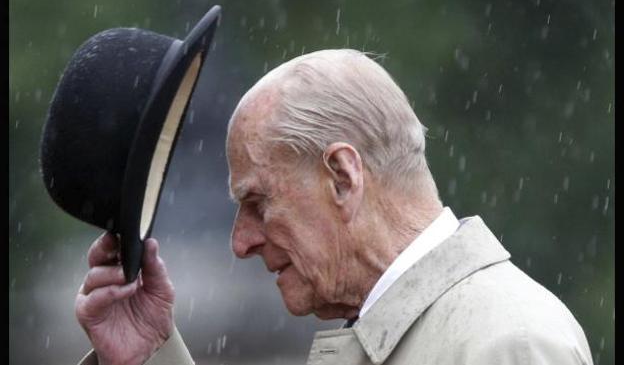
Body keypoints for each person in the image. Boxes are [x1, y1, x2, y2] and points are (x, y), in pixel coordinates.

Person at [76, 49, 594, 365]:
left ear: (343, 177)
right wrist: (148, 355)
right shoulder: (453, 335)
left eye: (257, 201)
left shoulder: (507, 346)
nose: (240, 243)